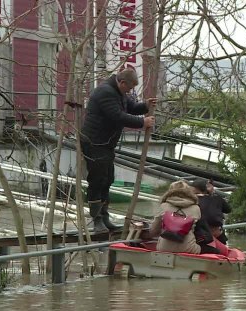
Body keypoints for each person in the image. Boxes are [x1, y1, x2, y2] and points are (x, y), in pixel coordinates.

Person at [81, 68, 156, 232]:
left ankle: (105, 216)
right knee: (97, 180)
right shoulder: (105, 92)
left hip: (106, 144)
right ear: (122, 83)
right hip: (94, 142)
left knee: (108, 179)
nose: (129, 91)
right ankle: (96, 219)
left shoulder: (119, 91)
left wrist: (145, 106)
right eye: (128, 88)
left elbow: (132, 107)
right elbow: (118, 116)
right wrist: (142, 122)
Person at [140, 180, 219, 254]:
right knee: (215, 251)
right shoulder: (195, 208)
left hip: (163, 248)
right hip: (189, 249)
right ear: (189, 192)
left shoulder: (164, 206)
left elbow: (154, 231)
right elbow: (199, 232)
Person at [192, 179, 232, 244]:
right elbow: (228, 210)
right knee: (223, 252)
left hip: (200, 236)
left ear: (195, 189)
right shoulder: (217, 199)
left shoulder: (193, 200)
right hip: (217, 234)